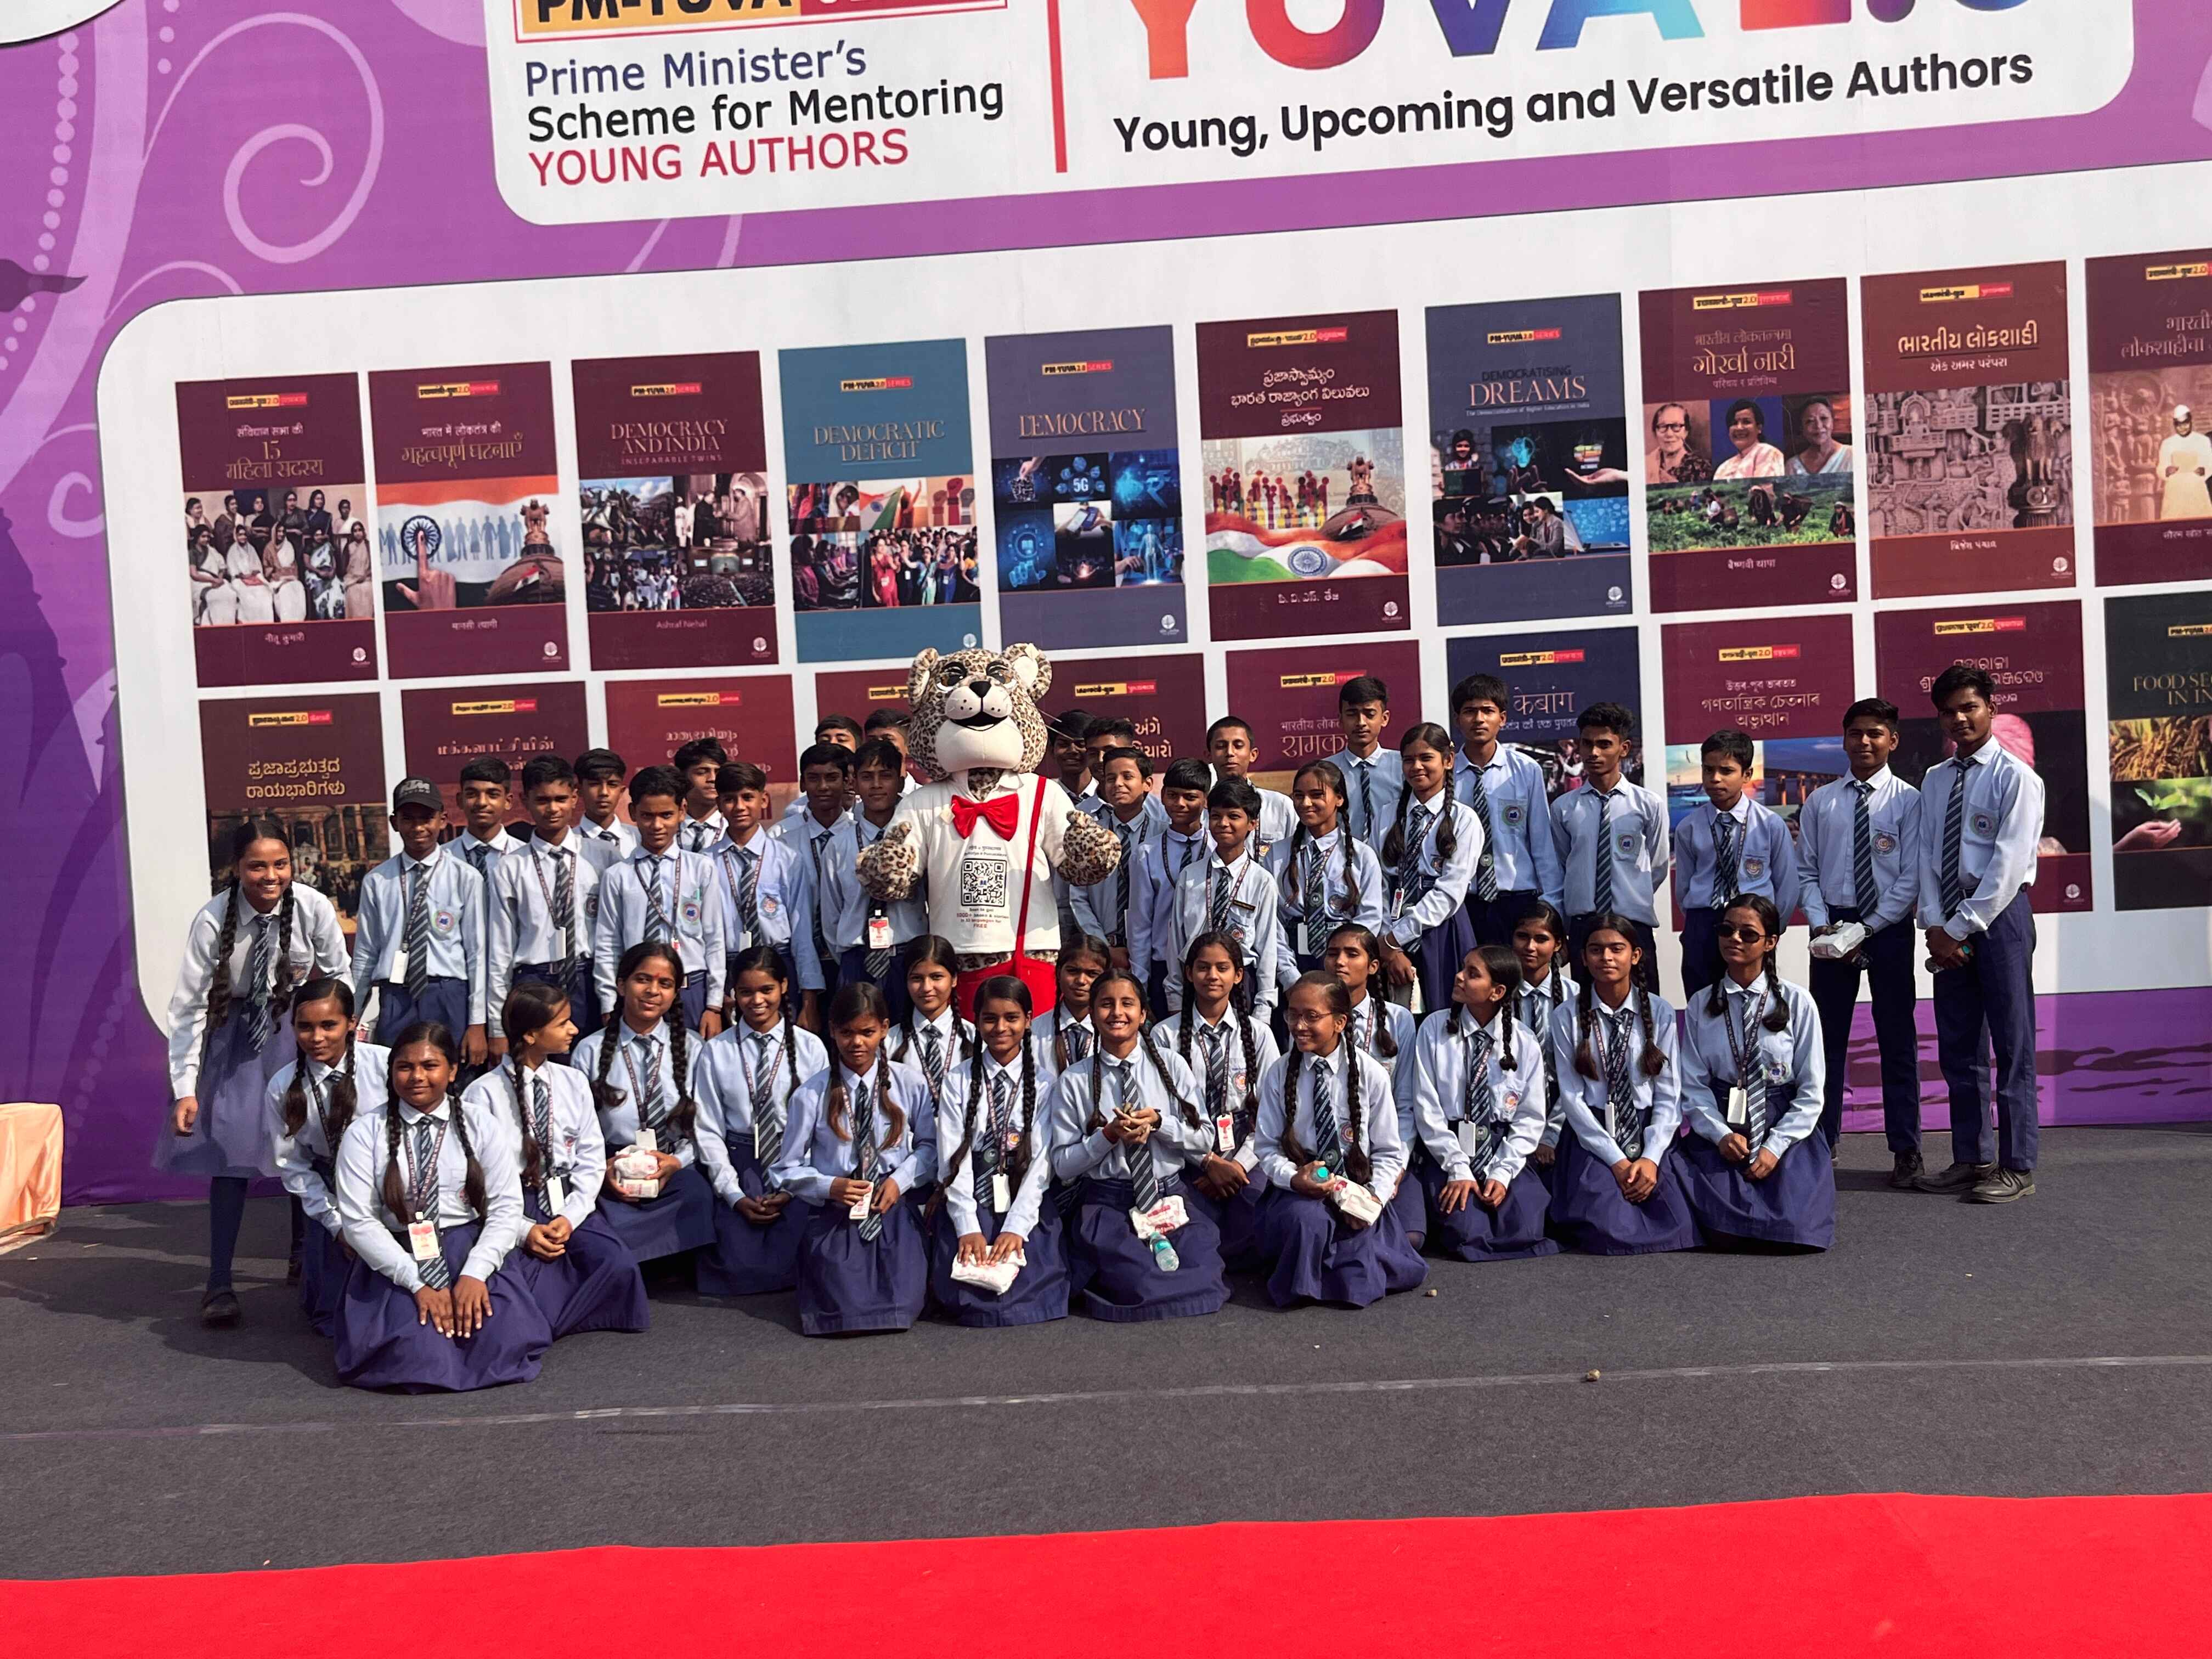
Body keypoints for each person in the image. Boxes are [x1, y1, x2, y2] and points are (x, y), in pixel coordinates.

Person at [163, 820, 351, 1325]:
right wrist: (185, 1088)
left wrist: (338, 1037)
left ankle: (303, 1258)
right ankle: (219, 1281)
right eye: (257, 866)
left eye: (280, 864)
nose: (271, 876)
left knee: (304, 1141)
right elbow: (188, 1007)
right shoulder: (213, 918)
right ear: (237, 868)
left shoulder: (311, 905)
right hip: (236, 1042)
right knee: (231, 1153)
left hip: (297, 1034)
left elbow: (339, 974)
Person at [330, 1022, 550, 1391]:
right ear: (391, 1073)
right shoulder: (364, 1132)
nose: (417, 1077)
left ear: (452, 1071)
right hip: (399, 1254)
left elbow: (506, 1207)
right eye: (405, 1067)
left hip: (467, 1246)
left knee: (500, 1340)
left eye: (430, 1066)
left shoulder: (480, 1123)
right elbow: (360, 1223)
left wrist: (475, 1274)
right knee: (415, 1352)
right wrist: (417, 1284)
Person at [1911, 665, 2045, 1204]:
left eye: (1969, 707)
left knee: (2013, 1046)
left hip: (2001, 918)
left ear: (1990, 706)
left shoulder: (2017, 777)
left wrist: (1959, 927)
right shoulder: (1935, 778)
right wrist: (1934, 923)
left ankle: (2017, 1166)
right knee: (1959, 1047)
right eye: (1949, 712)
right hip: (1948, 921)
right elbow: (1926, 853)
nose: (1960, 719)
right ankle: (1972, 1157)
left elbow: (2008, 868)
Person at [464, 984, 649, 1338]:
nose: (574, 1029)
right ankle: (540, 1320)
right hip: (513, 1205)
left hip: (566, 1199)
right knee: (526, 1290)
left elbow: (591, 1159)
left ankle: (551, 1318)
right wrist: (523, 1231)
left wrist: (571, 1216)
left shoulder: (573, 1081)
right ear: (531, 1035)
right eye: (563, 1023)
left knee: (618, 1265)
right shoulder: (482, 1094)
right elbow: (479, 1182)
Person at [1047, 969, 1228, 1322]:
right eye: (1106, 1004)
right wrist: (1107, 1137)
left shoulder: (1171, 1066)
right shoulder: (1074, 1080)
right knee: (1141, 1279)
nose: (1117, 1012)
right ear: (1092, 1014)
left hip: (1169, 1196)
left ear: (1143, 1014)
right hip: (1109, 1202)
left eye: (1127, 1004)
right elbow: (1063, 1165)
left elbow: (1205, 1137)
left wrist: (1160, 1124)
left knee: (1205, 1270)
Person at [1798, 698, 1923, 1180]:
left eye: (1875, 733)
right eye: (1856, 733)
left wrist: (1869, 926)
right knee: (1827, 1042)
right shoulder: (1821, 802)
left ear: (1893, 740)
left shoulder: (1909, 801)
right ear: (1844, 739)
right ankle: (1823, 1143)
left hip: (1886, 928)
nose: (1865, 742)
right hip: (1832, 929)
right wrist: (1821, 923)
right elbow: (1806, 872)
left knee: (1897, 1038)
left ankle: (1907, 1149)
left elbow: (1911, 876)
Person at [772, 980, 939, 1335]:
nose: (857, 1043)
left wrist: (900, 1181)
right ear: (833, 1031)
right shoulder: (811, 1094)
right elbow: (785, 1170)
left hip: (892, 1209)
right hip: (837, 1214)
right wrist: (829, 1186)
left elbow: (930, 1147)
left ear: (884, 1028)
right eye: (847, 1033)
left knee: (902, 1302)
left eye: (867, 1032)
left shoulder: (909, 1083)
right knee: (842, 1306)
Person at [1254, 973, 1425, 1307]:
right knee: (1308, 1222)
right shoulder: (1279, 1073)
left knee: (1358, 1268)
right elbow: (1267, 1147)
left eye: (1311, 1016)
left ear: (1340, 1022)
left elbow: (1389, 1152)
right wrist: (1294, 1179)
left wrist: (1373, 1199)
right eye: (1293, 1015)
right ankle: (1303, 1275)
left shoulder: (1371, 1074)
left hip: (1357, 1183)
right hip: (1301, 1188)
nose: (1299, 1025)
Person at [1677, 896, 1836, 1250]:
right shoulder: (1701, 1003)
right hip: (1724, 1119)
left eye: (1748, 934)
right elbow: (1694, 1086)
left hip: (1783, 1120)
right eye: (1726, 930)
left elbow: (1811, 1091)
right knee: (1705, 1215)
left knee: (1795, 1225)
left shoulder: (1797, 1002)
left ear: (1770, 942)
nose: (1734, 939)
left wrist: (1775, 1147)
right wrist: (1720, 1134)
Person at [1545, 916, 1698, 1255]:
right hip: (1594, 1133)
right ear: (1584, 958)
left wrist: (1651, 1157)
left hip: (1648, 1129)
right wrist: (1616, 1161)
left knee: (1677, 1216)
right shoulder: (1566, 1016)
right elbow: (1572, 1098)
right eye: (1596, 950)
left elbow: (1669, 1094)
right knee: (1606, 1224)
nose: (1607, 958)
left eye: (1617, 949)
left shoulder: (1659, 1011)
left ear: (1636, 955)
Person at [930, 975, 1071, 1327]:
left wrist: (1017, 1227)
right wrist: (967, 1226)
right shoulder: (958, 1080)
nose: (1001, 1028)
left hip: (1023, 1192)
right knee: (966, 1274)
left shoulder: (1045, 1083)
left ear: (1028, 1020)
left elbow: (1042, 1164)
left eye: (1012, 1018)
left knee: (1031, 1275)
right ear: (977, 1021)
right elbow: (952, 1159)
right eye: (990, 1019)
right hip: (972, 1193)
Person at [1405, 945, 1558, 1261]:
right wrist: (1457, 1168)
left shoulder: (1524, 1041)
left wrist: (1502, 1172)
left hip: (1501, 1147)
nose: (1459, 977)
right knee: (1465, 1230)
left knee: (1526, 1225)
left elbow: (1530, 1118)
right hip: (1449, 1146)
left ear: (1497, 992)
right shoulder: (1434, 1028)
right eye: (1463, 968)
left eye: (1472, 974)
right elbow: (1427, 1108)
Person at [691, 946, 828, 1297]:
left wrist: (793, 1186)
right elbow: (707, 1129)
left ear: (784, 986)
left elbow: (822, 1127)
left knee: (807, 1253)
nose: (756, 1001)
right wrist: (733, 1193)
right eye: (746, 992)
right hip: (742, 1163)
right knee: (739, 1263)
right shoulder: (716, 1051)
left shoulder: (811, 1047)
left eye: (767, 990)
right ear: (734, 994)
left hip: (797, 1163)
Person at [573, 942, 718, 1268]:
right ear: (621, 985)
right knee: (600, 1212)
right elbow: (580, 1130)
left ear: (676, 993)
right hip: (614, 1166)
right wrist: (605, 1167)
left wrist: (677, 1162)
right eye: (643, 980)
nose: (653, 991)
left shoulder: (694, 1048)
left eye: (665, 984)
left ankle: (662, 1266)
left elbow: (706, 1125)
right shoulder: (589, 1050)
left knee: (697, 1194)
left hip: (671, 1165)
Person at [266, 977, 387, 1336]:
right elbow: (294, 1167)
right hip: (330, 1192)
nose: (316, 1038)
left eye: (329, 1025)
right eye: (305, 1027)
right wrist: (337, 1226)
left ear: (352, 1023)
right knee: (335, 1313)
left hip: (389, 1187)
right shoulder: (282, 1087)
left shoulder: (385, 1066)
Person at [352, 777, 490, 1066]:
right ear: (394, 823)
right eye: (408, 819)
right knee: (395, 1072)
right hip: (395, 993)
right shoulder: (377, 880)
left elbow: (477, 954)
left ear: (442, 820)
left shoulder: (465, 877)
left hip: (448, 992)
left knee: (451, 1074)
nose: (418, 828)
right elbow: (366, 951)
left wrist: (477, 1023)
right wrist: (353, 1011)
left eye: (426, 818)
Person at [1170, 933, 1282, 1271]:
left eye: (1222, 968)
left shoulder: (1259, 1034)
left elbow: (1272, 1112)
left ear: (1238, 975)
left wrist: (1238, 1166)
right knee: (1191, 1221)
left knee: (1255, 1209)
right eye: (1203, 968)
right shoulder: (1166, 1035)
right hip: (1191, 1155)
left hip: (1248, 1152)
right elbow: (1166, 1117)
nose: (1212, 976)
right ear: (1189, 973)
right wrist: (1208, 1163)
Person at [590, 764, 726, 1036]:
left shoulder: (701, 868)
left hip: (690, 986)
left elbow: (714, 938)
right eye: (647, 816)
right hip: (639, 991)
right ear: (633, 813)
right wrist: (608, 1001)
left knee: (692, 1058)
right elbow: (608, 943)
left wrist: (714, 1004)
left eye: (666, 815)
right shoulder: (618, 875)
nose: (657, 826)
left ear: (682, 811)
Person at [1673, 728, 1798, 1002]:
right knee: (1702, 1001)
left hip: (1753, 926)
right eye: (1708, 770)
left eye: (1726, 771)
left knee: (1754, 1001)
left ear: (1747, 775)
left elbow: (1788, 886)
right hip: (1703, 925)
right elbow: (1683, 889)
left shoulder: (1770, 825)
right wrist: (1703, 920)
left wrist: (1768, 931)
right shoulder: (1689, 827)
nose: (1715, 778)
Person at [1550, 703, 1665, 993]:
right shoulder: (1564, 808)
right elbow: (1561, 865)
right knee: (1586, 1008)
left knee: (1645, 1007)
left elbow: (1659, 866)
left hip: (1633, 924)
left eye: (1604, 744)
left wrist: (1630, 895)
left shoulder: (1648, 805)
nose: (1594, 753)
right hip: (1583, 926)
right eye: (1587, 744)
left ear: (1624, 748)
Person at [488, 757, 600, 1046]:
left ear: (575, 797)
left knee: (589, 1063)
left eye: (560, 799)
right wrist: (497, 1026)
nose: (552, 809)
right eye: (542, 800)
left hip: (587, 978)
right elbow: (501, 948)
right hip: (533, 982)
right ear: (525, 801)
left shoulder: (602, 857)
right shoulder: (511, 867)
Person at [1452, 673, 1565, 947]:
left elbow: (1542, 842)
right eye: (1470, 711)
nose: (1479, 719)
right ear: (1458, 720)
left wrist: (1552, 905)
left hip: (1518, 900)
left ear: (1502, 718)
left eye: (1487, 711)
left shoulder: (1526, 770)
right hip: (1462, 901)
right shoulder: (1444, 774)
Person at [1377, 724, 1482, 1014]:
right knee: (1398, 1018)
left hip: (1442, 930)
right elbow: (1378, 883)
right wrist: (1388, 942)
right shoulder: (1387, 815)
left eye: (1426, 758)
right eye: (1409, 760)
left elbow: (1450, 892)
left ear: (1448, 761)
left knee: (1445, 1014)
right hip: (1391, 929)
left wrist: (1396, 939)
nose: (1417, 767)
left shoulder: (1464, 819)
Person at [709, 760, 818, 1028]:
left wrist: (809, 997)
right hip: (728, 966)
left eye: (748, 797)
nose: (739, 807)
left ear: (764, 799)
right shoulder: (705, 863)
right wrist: (716, 994)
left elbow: (802, 932)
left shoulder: (787, 860)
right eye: (730, 799)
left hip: (779, 963)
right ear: (719, 804)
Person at [1161, 781, 1283, 1017]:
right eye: (1216, 816)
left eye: (1234, 816)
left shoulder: (1261, 880)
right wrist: (1175, 996)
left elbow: (1268, 948)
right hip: (1196, 979)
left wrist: (1263, 1008)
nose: (1223, 824)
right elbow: (1176, 939)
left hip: (1241, 984)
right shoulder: (1191, 876)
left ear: (1252, 823)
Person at [1271, 761, 1385, 983]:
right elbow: (1271, 921)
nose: (1306, 803)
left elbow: (1370, 919)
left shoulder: (1362, 855)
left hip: (1344, 961)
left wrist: (1346, 963)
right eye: (1299, 796)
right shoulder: (1276, 855)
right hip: (1292, 958)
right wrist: (1289, 976)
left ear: (1339, 799)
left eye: (1316, 795)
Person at [774, 742, 855, 1009]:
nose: (823, 787)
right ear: (802, 783)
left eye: (832, 778)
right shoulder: (782, 843)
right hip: (800, 960)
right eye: (814, 778)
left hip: (850, 958)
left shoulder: (860, 838)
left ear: (847, 781)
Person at [1073, 746, 1165, 970]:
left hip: (1155, 951)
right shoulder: (1090, 835)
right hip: (1102, 951)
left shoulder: (1163, 835)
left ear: (1147, 784)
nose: (1118, 784)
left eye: (1127, 777)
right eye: (1111, 778)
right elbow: (1079, 898)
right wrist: (1104, 947)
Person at [1134, 758, 1214, 1013]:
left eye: (1190, 797)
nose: (1180, 804)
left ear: (1205, 800)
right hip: (1163, 964)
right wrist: (1140, 981)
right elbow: (1140, 923)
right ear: (1162, 795)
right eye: (1172, 795)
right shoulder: (1147, 853)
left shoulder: (1217, 848)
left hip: (1212, 966)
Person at [1509, 900, 1577, 1180]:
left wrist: (1551, 1133)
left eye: (1541, 939)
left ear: (1558, 944)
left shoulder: (1576, 997)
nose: (1530, 947)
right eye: (1522, 937)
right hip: (1510, 1112)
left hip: (1567, 1114)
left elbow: (1578, 1078)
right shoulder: (1497, 994)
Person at [887, 934, 976, 1120]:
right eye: (917, 978)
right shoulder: (888, 1042)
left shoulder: (976, 1039)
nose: (927, 988)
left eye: (936, 977)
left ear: (954, 979)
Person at [1323, 675, 1402, 848]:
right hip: (1343, 858)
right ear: (1340, 719)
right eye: (1352, 714)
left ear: (1385, 718)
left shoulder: (1404, 766)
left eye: (1369, 714)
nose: (1361, 723)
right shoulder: (1325, 771)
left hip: (1395, 858)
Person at [1205, 716, 1296, 851]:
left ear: (1253, 754)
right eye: (1221, 746)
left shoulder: (1280, 805)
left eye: (1238, 746)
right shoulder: (1199, 809)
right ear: (1209, 756)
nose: (1230, 753)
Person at [1032, 935, 1109, 1072]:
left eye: (1092, 974)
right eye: (1073, 971)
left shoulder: (1114, 1031)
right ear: (1058, 973)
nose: (1081, 981)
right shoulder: (1034, 1032)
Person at [572, 748, 636, 869]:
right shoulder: (569, 843)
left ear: (621, 791)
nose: (604, 792)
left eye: (612, 785)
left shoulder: (640, 839)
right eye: (594, 784)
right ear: (579, 790)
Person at [672, 738, 729, 853]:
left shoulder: (734, 828)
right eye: (702, 772)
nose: (713, 779)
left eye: (718, 773)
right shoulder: (664, 828)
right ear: (682, 776)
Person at [2159, 405, 2212, 519]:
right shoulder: (2168, 443)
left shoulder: (2203, 441)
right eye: (2179, 425)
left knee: (2199, 521)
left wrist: (2204, 470)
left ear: (2190, 422)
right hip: (2175, 489)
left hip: (2196, 487)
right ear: (2175, 425)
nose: (2183, 428)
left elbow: (2210, 464)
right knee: (2174, 522)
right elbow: (2161, 468)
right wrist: (2167, 471)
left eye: (2186, 424)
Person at [1714, 399, 1785, 481]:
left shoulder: (1768, 453)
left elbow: (1763, 487)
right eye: (1734, 423)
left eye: (1746, 422)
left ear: (1759, 428)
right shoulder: (1724, 467)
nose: (1739, 428)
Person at [1786, 397, 1854, 477]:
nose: (1818, 426)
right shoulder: (1792, 465)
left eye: (1824, 418)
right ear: (1802, 428)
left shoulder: (1852, 455)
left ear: (1832, 422)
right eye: (1810, 421)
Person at [1645, 403, 1705, 484]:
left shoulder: (1700, 469)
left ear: (1686, 432)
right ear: (1655, 432)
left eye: (1676, 426)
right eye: (1663, 427)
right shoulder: (1646, 465)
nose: (1669, 434)